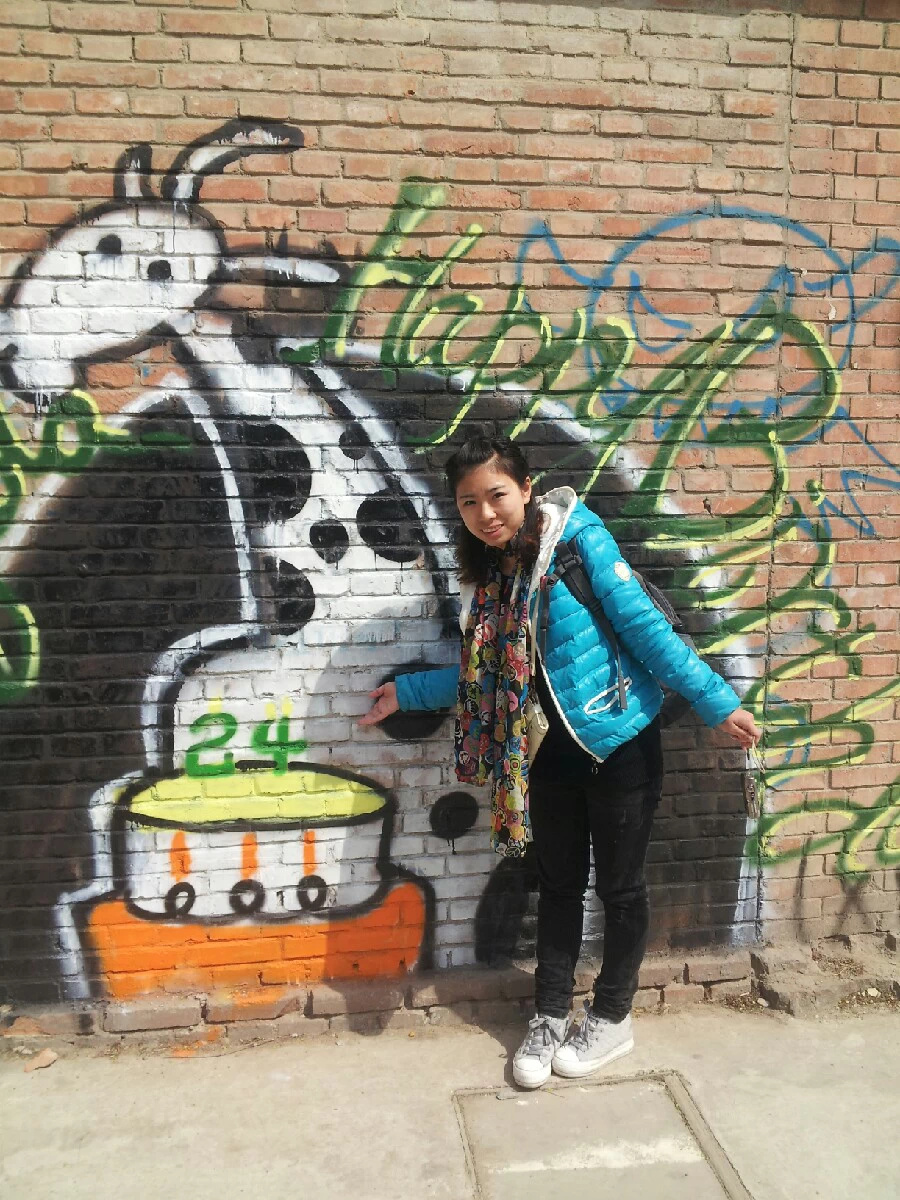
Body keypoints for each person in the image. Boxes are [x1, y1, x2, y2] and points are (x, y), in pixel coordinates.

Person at [360, 432, 760, 1089]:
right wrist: (408, 693)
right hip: (544, 754)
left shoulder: (578, 542)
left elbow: (647, 631)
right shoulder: (487, 575)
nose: (486, 513)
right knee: (558, 888)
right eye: (468, 503)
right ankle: (548, 1015)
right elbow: (485, 672)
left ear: (525, 489)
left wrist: (717, 703)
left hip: (619, 744)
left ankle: (611, 1016)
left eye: (496, 495)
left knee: (621, 889)